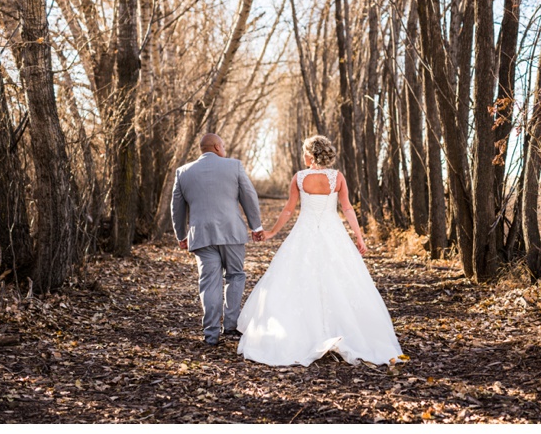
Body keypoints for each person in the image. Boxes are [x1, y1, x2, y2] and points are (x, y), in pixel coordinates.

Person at [237, 135, 403, 366]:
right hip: (332, 233)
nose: (303, 156)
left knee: (297, 278)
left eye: (305, 152)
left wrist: (273, 232)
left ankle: (301, 333)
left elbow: (288, 210)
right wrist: (359, 237)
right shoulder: (337, 177)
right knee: (340, 278)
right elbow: (347, 208)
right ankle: (341, 330)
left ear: (310, 155)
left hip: (303, 234)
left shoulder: (299, 177)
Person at [171, 133, 264, 346]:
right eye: (223, 145)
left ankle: (211, 334)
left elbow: (176, 207)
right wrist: (256, 226)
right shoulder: (234, 166)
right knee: (235, 275)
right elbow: (249, 196)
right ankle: (230, 327)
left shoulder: (183, 172)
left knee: (209, 282)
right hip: (231, 233)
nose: (224, 149)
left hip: (201, 235)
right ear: (216, 147)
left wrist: (181, 235)